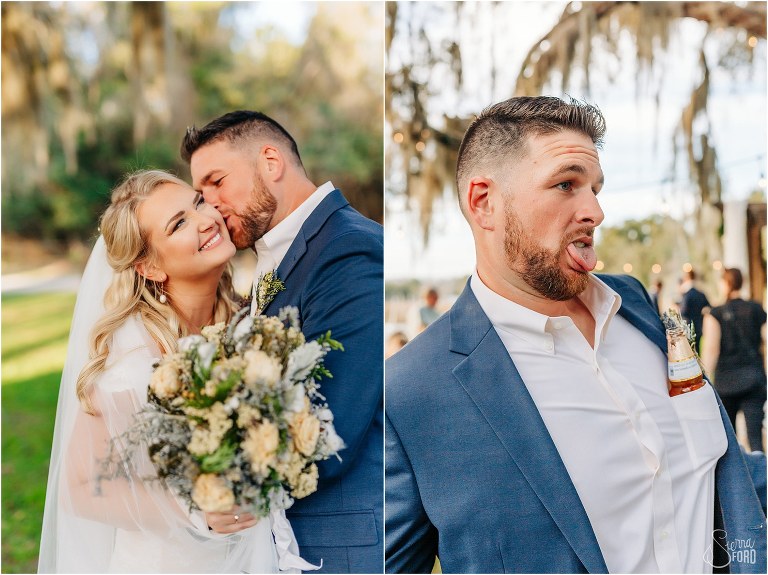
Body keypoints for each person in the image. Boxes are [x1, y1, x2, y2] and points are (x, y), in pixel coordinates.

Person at [385, 97, 766, 574]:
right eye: (566, 184)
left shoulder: (637, 307)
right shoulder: (409, 391)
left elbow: (715, 468)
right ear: (484, 202)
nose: (595, 211)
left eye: (595, 188)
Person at [38, 170, 314, 573]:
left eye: (199, 203)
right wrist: (195, 508)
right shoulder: (131, 360)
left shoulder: (252, 323)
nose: (206, 220)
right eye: (179, 223)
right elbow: (80, 489)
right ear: (149, 267)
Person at [181, 111, 383, 574]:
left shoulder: (350, 251)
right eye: (201, 195)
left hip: (340, 549)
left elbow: (332, 427)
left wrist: (217, 484)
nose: (210, 207)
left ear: (271, 161)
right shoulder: (279, 256)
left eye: (217, 182)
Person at [702, 268, 767, 452]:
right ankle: (762, 478)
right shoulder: (755, 308)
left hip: (726, 383)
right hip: (754, 379)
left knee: (730, 442)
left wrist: (705, 379)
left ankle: (738, 479)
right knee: (755, 438)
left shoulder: (715, 314)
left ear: (726, 284)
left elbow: (711, 350)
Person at [679, 268, 710, 353]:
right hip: (699, 325)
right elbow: (708, 307)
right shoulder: (701, 293)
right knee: (698, 350)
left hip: (689, 326)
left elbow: (683, 311)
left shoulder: (687, 295)